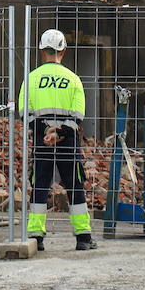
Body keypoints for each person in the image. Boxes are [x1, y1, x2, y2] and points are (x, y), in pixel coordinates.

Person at [18, 29, 96, 252]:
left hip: (42, 141)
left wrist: (45, 132)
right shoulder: (73, 79)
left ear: (42, 51)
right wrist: (59, 132)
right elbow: (78, 116)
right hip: (67, 142)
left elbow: (25, 113)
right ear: (64, 51)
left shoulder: (31, 78)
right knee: (75, 185)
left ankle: (36, 236)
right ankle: (83, 237)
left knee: (40, 186)